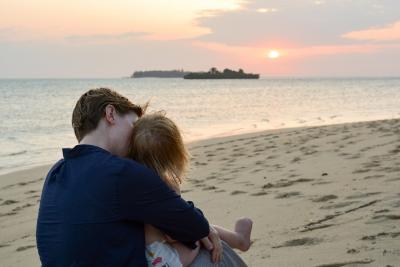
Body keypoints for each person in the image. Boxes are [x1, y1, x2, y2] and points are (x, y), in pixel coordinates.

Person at [36, 88, 222, 267]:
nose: (136, 139)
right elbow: (194, 226)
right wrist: (206, 227)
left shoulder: (55, 172)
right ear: (110, 114)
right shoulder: (121, 171)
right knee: (214, 249)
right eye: (134, 125)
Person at [128, 112, 252, 267]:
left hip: (145, 254)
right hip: (163, 260)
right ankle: (240, 240)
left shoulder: (131, 181)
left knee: (201, 227)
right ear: (177, 153)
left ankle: (239, 239)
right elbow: (177, 231)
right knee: (204, 234)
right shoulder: (167, 185)